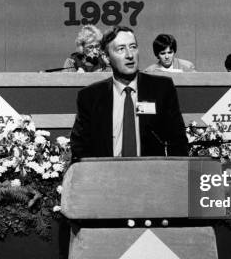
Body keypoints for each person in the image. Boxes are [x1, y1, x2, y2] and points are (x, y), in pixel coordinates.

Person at [70, 26, 188, 159]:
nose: (130, 55)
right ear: (106, 57)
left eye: (133, 47)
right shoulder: (90, 97)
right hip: (106, 176)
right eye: (121, 49)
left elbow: (178, 142)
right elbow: (79, 148)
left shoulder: (162, 89)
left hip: (152, 175)